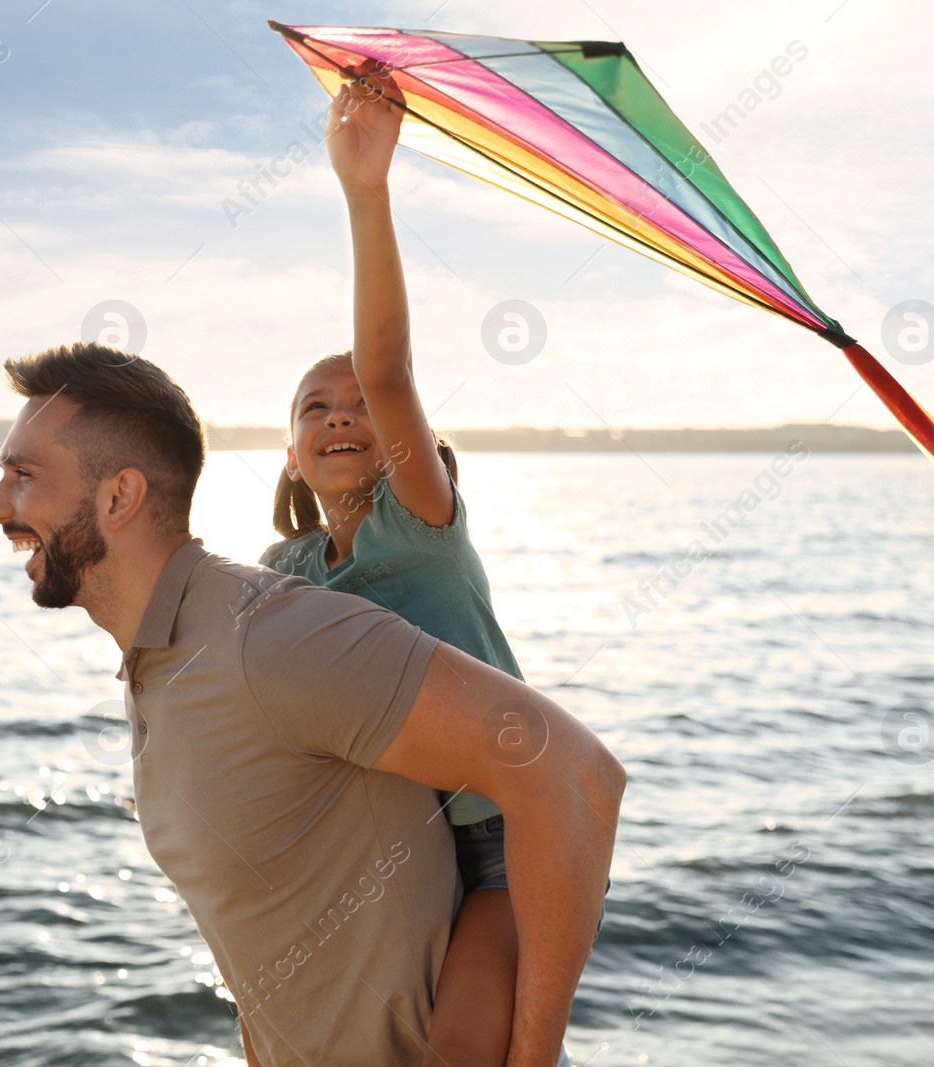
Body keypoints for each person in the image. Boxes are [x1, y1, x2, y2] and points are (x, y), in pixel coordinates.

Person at [0, 344, 622, 1067]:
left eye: (22, 475)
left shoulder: (269, 636)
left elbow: (576, 774)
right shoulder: (170, 655)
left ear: (120, 497)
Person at [260, 71, 607, 1065]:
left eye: (355, 406)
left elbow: (386, 369)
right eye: (311, 408)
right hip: (394, 853)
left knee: (467, 1050)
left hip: (509, 841)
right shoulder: (287, 568)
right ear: (288, 452)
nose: (339, 414)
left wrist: (363, 186)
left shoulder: (419, 521)